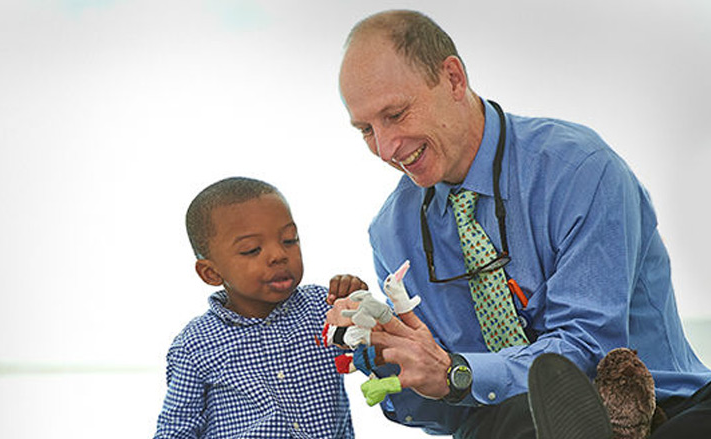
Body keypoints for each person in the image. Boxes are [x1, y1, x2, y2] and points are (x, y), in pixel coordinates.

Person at [330, 9, 711, 439]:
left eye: (395, 114)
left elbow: (588, 349)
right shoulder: (391, 234)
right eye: (365, 129)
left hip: (665, 407)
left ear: (454, 79)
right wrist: (392, 358)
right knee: (506, 421)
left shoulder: (579, 170)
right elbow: (447, 413)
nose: (385, 148)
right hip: (508, 425)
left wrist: (459, 373)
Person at [153, 176, 367, 438]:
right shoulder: (195, 345)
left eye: (289, 240)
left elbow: (382, 356)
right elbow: (176, 429)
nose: (278, 255)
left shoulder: (323, 308)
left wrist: (359, 306)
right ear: (211, 273)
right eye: (252, 249)